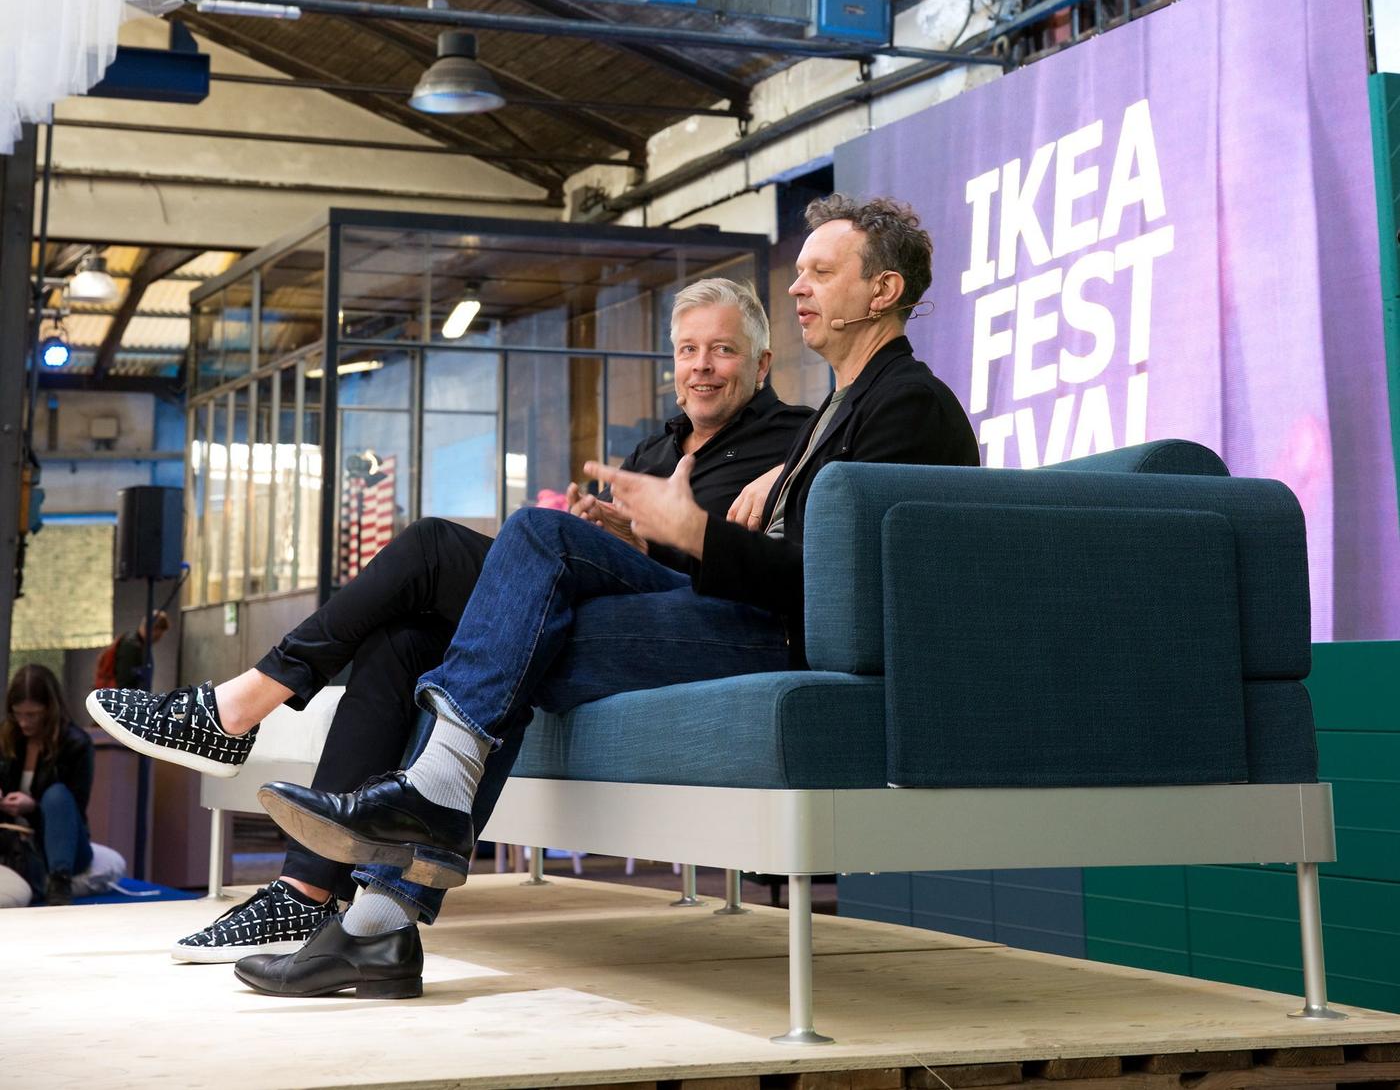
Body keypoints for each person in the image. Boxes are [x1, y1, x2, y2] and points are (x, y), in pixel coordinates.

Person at [241, 193, 978, 999]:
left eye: (822, 273)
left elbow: (838, 591)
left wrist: (692, 531)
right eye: (799, 271)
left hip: (782, 636)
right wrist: (667, 528)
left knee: (534, 553)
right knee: (485, 618)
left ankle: (406, 843)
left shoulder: (908, 403)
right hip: (749, 615)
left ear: (882, 291)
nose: (798, 286)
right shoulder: (836, 412)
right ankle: (379, 922)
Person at [88, 277, 809, 961]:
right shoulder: (656, 447)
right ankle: (304, 892)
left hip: (693, 617)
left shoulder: (795, 440)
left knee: (465, 541)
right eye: (688, 349)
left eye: (722, 350)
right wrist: (615, 534)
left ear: (762, 363)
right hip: (611, 601)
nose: (701, 366)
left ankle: (237, 708)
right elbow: (631, 552)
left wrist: (694, 520)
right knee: (403, 642)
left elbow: (769, 564)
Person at [1, 664, 95, 906]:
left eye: (32, 715)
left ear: (49, 709)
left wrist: (33, 808)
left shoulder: (76, 744)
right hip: (11, 840)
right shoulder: (6, 737)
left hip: (60, 844)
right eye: (18, 714)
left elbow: (73, 810)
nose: (23, 722)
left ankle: (59, 884)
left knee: (57, 795)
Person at [94, 609, 170, 691]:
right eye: (160, 634)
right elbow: (123, 683)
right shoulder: (131, 647)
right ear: (154, 629)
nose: (159, 638)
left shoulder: (138, 646)